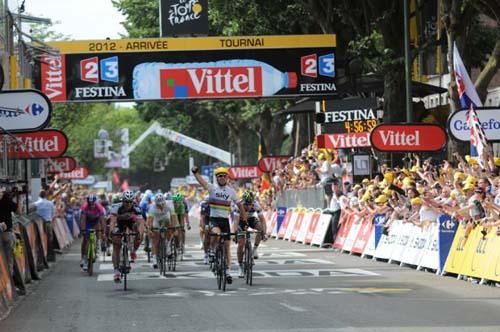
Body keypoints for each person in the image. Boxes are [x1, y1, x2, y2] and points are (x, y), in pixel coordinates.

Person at [191, 166, 246, 284]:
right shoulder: (212, 188)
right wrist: (195, 173)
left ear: (227, 177)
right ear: (216, 178)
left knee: (227, 247)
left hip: (225, 221)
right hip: (214, 219)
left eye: (224, 175)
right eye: (219, 176)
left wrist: (244, 218)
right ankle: (211, 250)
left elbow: (240, 205)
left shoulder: (231, 191)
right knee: (216, 234)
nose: (222, 177)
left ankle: (227, 272)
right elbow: (202, 181)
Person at [109, 190, 144, 283]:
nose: (128, 204)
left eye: (130, 202)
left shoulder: (136, 208)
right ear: (122, 201)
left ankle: (133, 250)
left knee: (140, 234)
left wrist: (140, 234)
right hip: (119, 223)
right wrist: (112, 232)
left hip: (131, 223)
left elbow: (141, 223)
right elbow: (112, 222)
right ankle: (116, 272)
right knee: (116, 245)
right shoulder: (116, 207)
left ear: (133, 201)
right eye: (126, 202)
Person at [233, 191, 267, 278]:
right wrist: (235, 233)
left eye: (250, 204)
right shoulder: (239, 205)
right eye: (246, 204)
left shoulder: (256, 205)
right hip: (241, 221)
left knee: (260, 228)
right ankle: (240, 266)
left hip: (251, 219)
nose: (248, 206)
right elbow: (236, 221)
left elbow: (262, 220)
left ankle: (254, 249)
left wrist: (264, 233)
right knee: (241, 244)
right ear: (243, 202)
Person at [0, 186, 22, 293]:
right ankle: (10, 286)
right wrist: (18, 198)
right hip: (6, 234)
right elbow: (19, 211)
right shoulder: (6, 200)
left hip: (6, 233)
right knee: (9, 261)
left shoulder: (6, 199)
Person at [147, 193, 178, 269]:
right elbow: (150, 221)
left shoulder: (169, 204)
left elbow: (173, 217)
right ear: (156, 204)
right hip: (156, 220)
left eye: (162, 204)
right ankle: (154, 260)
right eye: (159, 205)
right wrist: (150, 229)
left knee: (170, 227)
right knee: (155, 239)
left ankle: (168, 247)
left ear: (164, 202)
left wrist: (174, 227)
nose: (161, 206)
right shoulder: (152, 207)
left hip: (165, 218)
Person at [79, 194, 106, 271]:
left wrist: (103, 232)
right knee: (85, 239)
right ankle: (84, 258)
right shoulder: (84, 207)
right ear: (88, 203)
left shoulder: (99, 208)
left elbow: (102, 221)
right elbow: (82, 220)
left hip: (96, 220)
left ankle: (97, 245)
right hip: (87, 220)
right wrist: (83, 230)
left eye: (93, 204)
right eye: (90, 204)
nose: (91, 205)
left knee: (98, 229)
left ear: (95, 202)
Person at [34, 189, 55, 261]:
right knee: (49, 239)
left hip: (39, 223)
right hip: (48, 222)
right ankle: (51, 255)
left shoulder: (36, 203)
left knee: (40, 239)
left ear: (39, 195)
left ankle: (42, 257)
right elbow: (53, 214)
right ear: (45, 195)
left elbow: (34, 214)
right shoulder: (50, 203)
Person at [199, 197, 211, 264]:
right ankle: (206, 254)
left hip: (215, 218)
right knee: (207, 234)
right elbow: (202, 217)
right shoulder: (204, 205)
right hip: (207, 219)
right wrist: (203, 226)